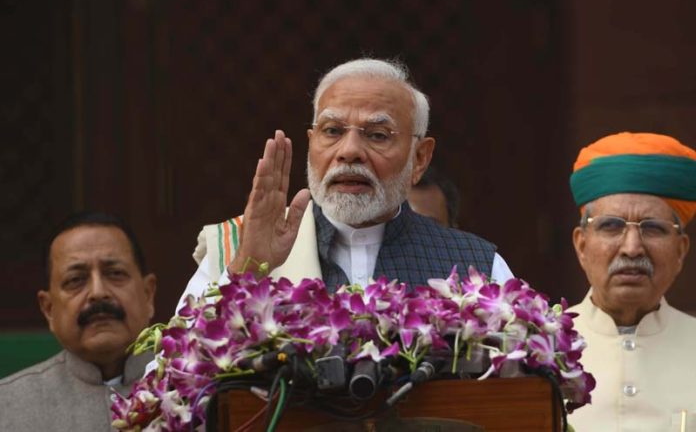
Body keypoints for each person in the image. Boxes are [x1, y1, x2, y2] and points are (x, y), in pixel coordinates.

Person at [181, 58, 514, 304]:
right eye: (333, 131)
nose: (350, 151)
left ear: (420, 158)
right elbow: (171, 379)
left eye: (378, 135)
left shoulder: (476, 266)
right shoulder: (239, 247)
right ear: (312, 143)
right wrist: (248, 268)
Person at [567, 132, 696, 431]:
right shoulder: (537, 351)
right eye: (611, 226)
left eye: (653, 228)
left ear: (680, 250)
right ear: (582, 245)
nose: (632, 247)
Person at [0, 212, 157, 431]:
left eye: (115, 273)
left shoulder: (199, 391)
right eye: (75, 280)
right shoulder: (7, 409)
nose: (98, 292)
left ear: (148, 294)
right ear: (49, 309)